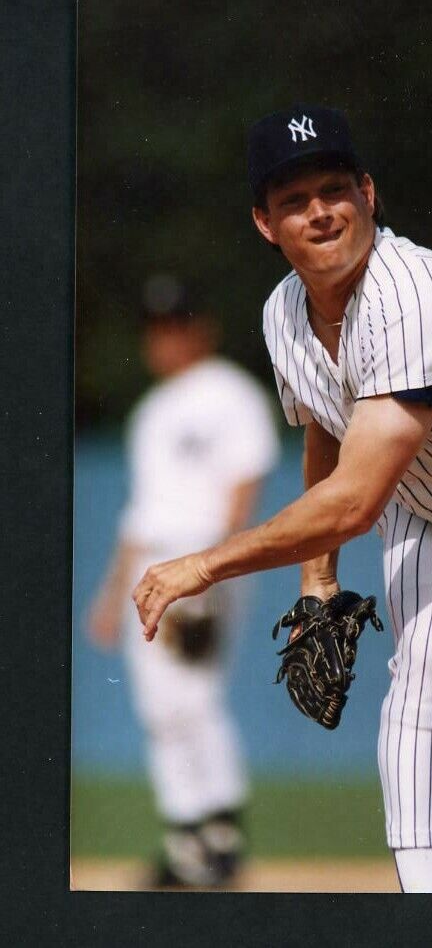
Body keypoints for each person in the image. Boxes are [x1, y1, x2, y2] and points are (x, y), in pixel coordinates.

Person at [132, 105, 432, 893]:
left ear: (369, 193)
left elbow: (356, 499)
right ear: (264, 224)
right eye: (293, 201)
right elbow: (327, 432)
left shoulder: (417, 291)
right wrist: (315, 579)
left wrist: (205, 565)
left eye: (334, 188)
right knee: (421, 682)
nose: (319, 211)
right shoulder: (281, 314)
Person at [85, 275, 280, 887]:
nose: (166, 337)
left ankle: (218, 832)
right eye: (156, 327)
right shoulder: (150, 411)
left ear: (202, 328)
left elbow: (245, 482)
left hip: (200, 561)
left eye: (176, 324)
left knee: (191, 696)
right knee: (159, 703)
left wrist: (216, 569)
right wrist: (111, 596)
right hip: (151, 565)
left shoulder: (227, 392)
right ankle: (187, 834)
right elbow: (141, 517)